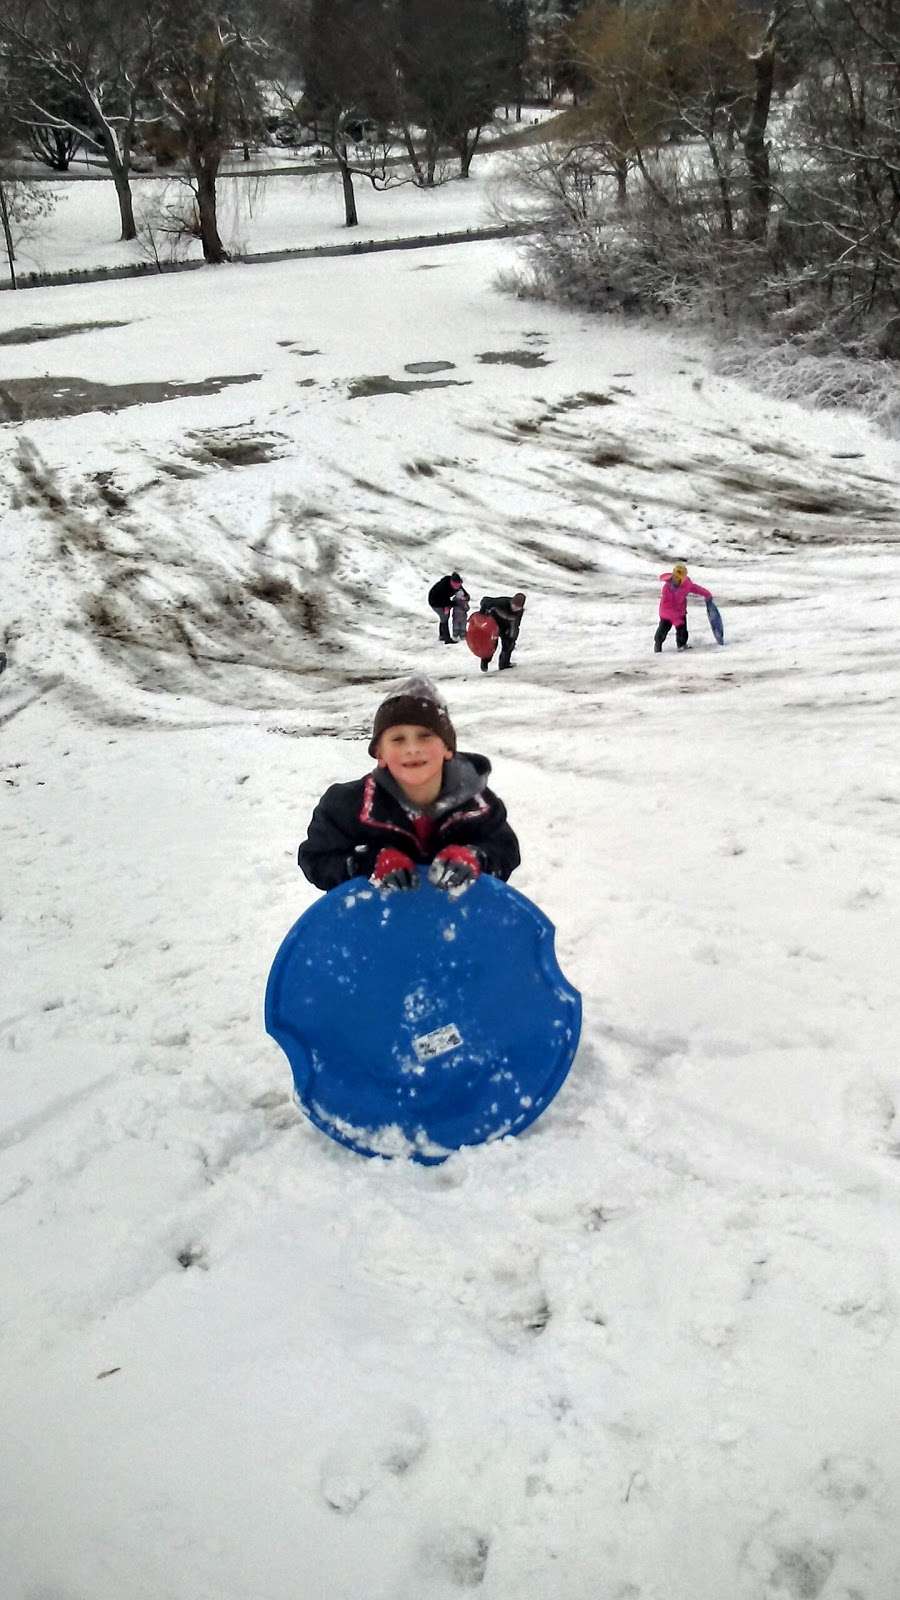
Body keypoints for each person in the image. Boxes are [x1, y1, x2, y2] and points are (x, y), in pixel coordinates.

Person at [297, 675, 520, 893]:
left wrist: (476, 857)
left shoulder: (478, 804)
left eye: (425, 736)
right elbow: (316, 859)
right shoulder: (346, 806)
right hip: (374, 922)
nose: (412, 748)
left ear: (448, 749)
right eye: (398, 739)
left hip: (454, 921)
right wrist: (365, 864)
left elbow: (505, 850)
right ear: (379, 753)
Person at [654, 563, 712, 652]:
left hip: (680, 612)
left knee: (682, 631)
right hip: (666, 614)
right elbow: (666, 607)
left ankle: (682, 645)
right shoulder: (666, 589)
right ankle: (657, 647)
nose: (676, 579)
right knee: (662, 631)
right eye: (674, 577)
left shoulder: (686, 585)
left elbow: (696, 589)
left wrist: (707, 594)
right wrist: (675, 619)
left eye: (679, 578)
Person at [477, 593, 526, 672]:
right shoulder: (501, 602)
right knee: (491, 645)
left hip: (505, 628)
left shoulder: (519, 612)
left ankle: (504, 665)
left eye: (518, 607)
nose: (515, 608)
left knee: (509, 645)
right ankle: (485, 662)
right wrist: (482, 613)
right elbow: (485, 600)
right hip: (493, 625)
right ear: (511, 602)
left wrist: (512, 638)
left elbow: (515, 625)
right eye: (514, 605)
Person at [428, 572, 469, 644]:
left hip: (444, 600)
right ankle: (447, 639)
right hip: (435, 602)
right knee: (444, 617)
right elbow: (444, 600)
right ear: (451, 582)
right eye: (456, 585)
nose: (457, 587)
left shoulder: (458, 585)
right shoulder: (443, 587)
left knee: (444, 616)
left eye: (459, 585)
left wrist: (466, 597)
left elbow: (465, 593)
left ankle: (442, 636)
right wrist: (448, 606)